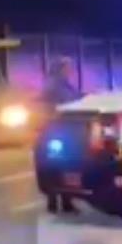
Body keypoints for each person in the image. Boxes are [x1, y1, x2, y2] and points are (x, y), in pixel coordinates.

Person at [40, 57, 82, 214]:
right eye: (67, 68)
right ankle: (56, 201)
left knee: (63, 166)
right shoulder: (54, 85)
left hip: (64, 130)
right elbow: (65, 102)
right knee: (58, 165)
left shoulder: (64, 84)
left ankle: (64, 201)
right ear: (60, 69)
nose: (70, 71)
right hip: (57, 131)